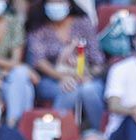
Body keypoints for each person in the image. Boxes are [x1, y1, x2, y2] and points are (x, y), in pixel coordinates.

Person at [26, 0, 105, 128]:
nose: (56, 5)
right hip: (51, 79)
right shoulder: (38, 26)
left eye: (60, 1)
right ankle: (55, 134)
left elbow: (97, 59)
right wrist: (62, 77)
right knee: (70, 90)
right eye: (52, 2)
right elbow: (38, 60)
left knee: (89, 90)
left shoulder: (83, 23)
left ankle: (100, 134)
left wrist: (87, 74)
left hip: (85, 76)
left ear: (69, 3)